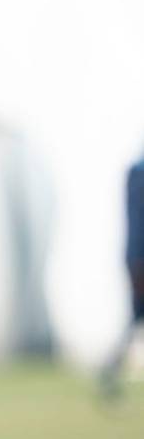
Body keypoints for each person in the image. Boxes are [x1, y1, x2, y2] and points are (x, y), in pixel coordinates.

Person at [100, 158, 144, 398]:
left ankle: (110, 371)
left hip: (137, 260)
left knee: (134, 321)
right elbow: (137, 222)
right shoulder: (139, 172)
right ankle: (109, 371)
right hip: (140, 262)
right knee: (134, 320)